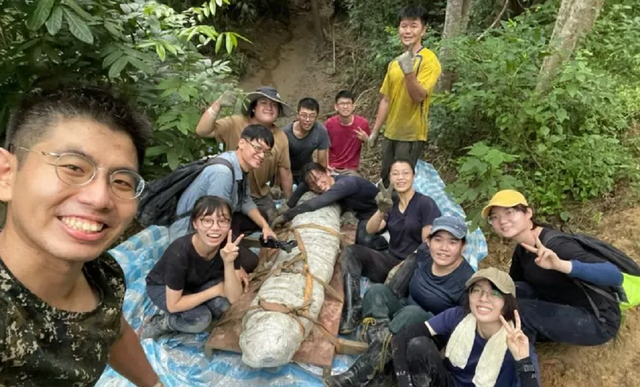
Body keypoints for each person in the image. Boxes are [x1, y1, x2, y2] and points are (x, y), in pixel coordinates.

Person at [0, 88, 162, 386]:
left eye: (122, 181)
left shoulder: (102, 273)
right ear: (6, 173)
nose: (100, 198)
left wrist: (154, 385)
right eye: (73, 167)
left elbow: (112, 329)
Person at [324, 215, 474, 386]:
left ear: (463, 247)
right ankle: (384, 365)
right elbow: (400, 279)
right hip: (402, 314)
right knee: (376, 292)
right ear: (429, 242)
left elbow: (459, 329)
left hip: (428, 334)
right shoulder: (424, 254)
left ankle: (357, 375)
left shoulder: (466, 281)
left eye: (453, 242)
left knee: (412, 313)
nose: (443, 248)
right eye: (438, 240)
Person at [483, 190, 623, 346]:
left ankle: (522, 363)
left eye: (509, 212)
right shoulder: (522, 250)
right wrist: (487, 293)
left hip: (597, 321)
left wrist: (560, 265)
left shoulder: (557, 245)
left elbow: (615, 275)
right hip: (561, 305)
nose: (502, 221)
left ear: (528, 212)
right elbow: (512, 288)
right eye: (494, 217)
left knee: (520, 310)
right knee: (503, 295)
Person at [339, 159, 441, 333]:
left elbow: (428, 243)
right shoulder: (391, 203)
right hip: (390, 260)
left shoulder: (425, 203)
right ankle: (353, 308)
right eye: (395, 174)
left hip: (414, 268)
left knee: (417, 256)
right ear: (390, 178)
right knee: (351, 252)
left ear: (413, 176)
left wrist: (403, 266)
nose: (400, 178)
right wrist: (381, 209)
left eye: (405, 173)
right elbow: (371, 229)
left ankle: (382, 317)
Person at [391, 268, 540, 387]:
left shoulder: (517, 344)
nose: (483, 299)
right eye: (476, 290)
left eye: (494, 293)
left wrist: (523, 361)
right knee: (419, 346)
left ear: (507, 303)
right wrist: (405, 381)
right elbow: (402, 336)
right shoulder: (458, 316)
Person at [171, 125, 278, 273]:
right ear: (241, 143)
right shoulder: (223, 173)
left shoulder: (241, 166)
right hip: (191, 229)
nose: (261, 156)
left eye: (266, 153)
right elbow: (215, 221)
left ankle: (234, 237)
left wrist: (266, 227)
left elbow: (245, 201)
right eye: (257, 148)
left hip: (219, 216)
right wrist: (235, 266)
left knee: (262, 217)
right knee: (250, 262)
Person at [141, 196, 246, 339]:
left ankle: (199, 305)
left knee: (225, 307)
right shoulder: (179, 253)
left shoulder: (230, 244)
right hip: (163, 287)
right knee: (200, 320)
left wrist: (228, 262)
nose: (215, 228)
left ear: (229, 224)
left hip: (197, 282)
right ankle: (163, 322)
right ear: (195, 223)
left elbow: (235, 298)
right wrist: (213, 291)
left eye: (222, 221)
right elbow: (174, 305)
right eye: (207, 220)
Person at [195, 86, 294, 223]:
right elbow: (202, 131)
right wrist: (217, 105)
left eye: (274, 105)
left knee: (271, 219)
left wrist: (289, 201)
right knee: (221, 217)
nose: (269, 107)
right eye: (263, 103)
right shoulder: (235, 123)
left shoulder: (281, 137)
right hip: (230, 189)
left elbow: (285, 170)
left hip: (258, 195)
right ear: (253, 107)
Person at [368, 5, 442, 185]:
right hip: (391, 133)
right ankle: (384, 213)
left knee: (401, 183)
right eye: (404, 26)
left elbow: (418, 97)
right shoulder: (394, 63)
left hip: (411, 134)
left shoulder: (429, 60)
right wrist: (375, 132)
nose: (407, 31)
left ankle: (401, 213)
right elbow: (386, 99)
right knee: (386, 180)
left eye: (413, 26)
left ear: (423, 30)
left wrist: (409, 71)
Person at [272, 162, 386, 250]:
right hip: (362, 214)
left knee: (364, 242)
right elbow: (303, 185)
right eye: (313, 184)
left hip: (380, 212)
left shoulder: (344, 184)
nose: (318, 185)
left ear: (327, 172)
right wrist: (288, 205)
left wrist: (285, 216)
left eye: (319, 178)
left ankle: (388, 237)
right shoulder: (322, 183)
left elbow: (316, 203)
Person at [282, 97, 330, 185]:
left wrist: (322, 179)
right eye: (304, 115)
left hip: (307, 172)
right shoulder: (285, 133)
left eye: (312, 116)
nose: (308, 120)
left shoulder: (320, 131)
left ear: (316, 117)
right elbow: (281, 162)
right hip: (287, 171)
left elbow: (322, 161)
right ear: (297, 115)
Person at [324, 90, 370, 176]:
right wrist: (325, 165)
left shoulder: (362, 124)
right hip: (332, 168)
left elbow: (371, 148)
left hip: (351, 170)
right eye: (342, 103)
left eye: (348, 103)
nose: (345, 106)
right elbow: (324, 147)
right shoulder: (329, 124)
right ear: (336, 107)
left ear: (353, 106)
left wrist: (366, 139)